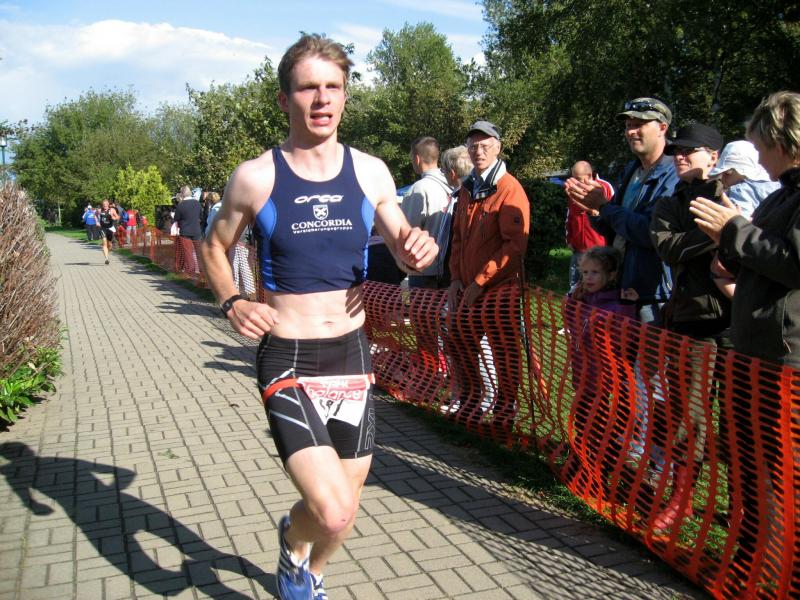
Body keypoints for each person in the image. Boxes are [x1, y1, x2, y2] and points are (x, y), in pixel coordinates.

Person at [200, 34, 437, 600]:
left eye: (333, 87)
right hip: (288, 355)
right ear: (285, 99)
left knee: (345, 505)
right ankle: (293, 542)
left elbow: (402, 241)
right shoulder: (256, 176)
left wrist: (418, 248)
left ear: (346, 96)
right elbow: (213, 246)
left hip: (351, 353)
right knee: (331, 509)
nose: (323, 98)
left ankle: (309, 571)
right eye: (309, 87)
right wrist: (233, 301)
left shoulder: (371, 172)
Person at [690, 92, 800, 587]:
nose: (756, 156)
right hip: (754, 350)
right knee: (747, 466)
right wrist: (728, 242)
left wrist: (734, 229)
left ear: (784, 140)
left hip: (784, 360)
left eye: (761, 145)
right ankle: (750, 562)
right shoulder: (781, 194)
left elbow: (793, 262)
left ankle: (774, 575)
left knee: (778, 474)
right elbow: (762, 254)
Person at [649, 122, 730, 530]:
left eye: (689, 150)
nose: (679, 156)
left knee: (740, 423)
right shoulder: (670, 203)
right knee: (689, 416)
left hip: (739, 322)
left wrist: (731, 226)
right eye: (676, 151)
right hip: (691, 320)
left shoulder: (736, 192)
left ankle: (745, 512)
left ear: (713, 156)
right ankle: (681, 499)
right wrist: (722, 234)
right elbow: (668, 247)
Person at [444, 120, 530, 430]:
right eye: (473, 146)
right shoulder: (468, 188)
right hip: (467, 287)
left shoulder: (509, 188)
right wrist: (456, 278)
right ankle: (471, 405)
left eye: (484, 146)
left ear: (498, 148)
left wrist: (481, 281)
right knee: (459, 342)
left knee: (504, 354)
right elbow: (457, 238)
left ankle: (504, 415)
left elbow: (514, 246)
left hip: (499, 290)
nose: (478, 151)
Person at [565, 97, 679, 325]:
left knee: (651, 350)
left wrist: (604, 207)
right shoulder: (631, 171)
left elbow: (649, 232)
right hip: (625, 289)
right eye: (628, 126)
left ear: (662, 128)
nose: (631, 132)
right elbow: (615, 230)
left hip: (654, 295)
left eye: (639, 124)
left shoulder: (673, 174)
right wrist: (593, 211)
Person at [564, 246, 637, 485]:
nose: (588, 278)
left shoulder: (616, 305)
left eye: (595, 272)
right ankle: (581, 458)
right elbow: (570, 322)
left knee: (600, 423)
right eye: (585, 272)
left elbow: (624, 335)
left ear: (610, 275)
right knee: (583, 418)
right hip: (583, 374)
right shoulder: (582, 300)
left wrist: (627, 306)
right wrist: (571, 299)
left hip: (604, 380)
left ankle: (595, 469)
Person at [400, 137, 454, 289]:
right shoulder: (453, 185)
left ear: (417, 159)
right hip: (450, 269)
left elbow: (407, 231)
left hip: (424, 270)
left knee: (421, 307)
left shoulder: (418, 189)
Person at [565, 161, 612, 287]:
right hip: (578, 249)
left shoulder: (603, 188)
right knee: (574, 287)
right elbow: (570, 216)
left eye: (578, 179)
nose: (575, 182)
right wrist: (569, 239)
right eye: (573, 178)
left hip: (598, 249)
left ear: (589, 175)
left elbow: (612, 216)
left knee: (597, 286)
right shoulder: (573, 189)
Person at [709, 140, 781, 219]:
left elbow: (739, 220)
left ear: (731, 171)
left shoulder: (740, 190)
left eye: (726, 173)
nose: (722, 179)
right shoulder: (778, 187)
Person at [174, 185, 202, 274]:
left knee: (188, 252)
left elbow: (176, 218)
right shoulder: (197, 203)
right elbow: (201, 216)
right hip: (196, 230)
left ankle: (190, 271)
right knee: (199, 252)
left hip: (185, 231)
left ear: (182, 194)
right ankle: (202, 271)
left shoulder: (180, 205)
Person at [96, 199, 119, 265]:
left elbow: (117, 217)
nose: (105, 206)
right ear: (102, 205)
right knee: (104, 243)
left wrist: (114, 218)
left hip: (110, 228)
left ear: (108, 204)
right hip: (103, 228)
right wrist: (97, 222)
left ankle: (107, 252)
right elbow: (95, 215)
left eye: (106, 204)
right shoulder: (99, 210)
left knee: (109, 244)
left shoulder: (112, 210)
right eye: (104, 205)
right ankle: (106, 259)